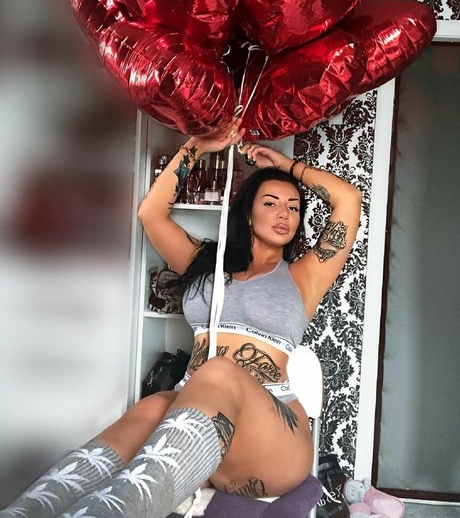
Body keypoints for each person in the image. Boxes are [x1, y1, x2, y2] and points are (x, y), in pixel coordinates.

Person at [1, 117, 361, 517]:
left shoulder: (304, 277)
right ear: (247, 214)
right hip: (196, 423)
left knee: (218, 371)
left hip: (272, 440)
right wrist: (198, 145)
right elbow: (151, 213)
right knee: (153, 407)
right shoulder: (204, 263)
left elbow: (349, 201)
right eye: (271, 203)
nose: (284, 214)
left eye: (293, 207)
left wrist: (283, 165)